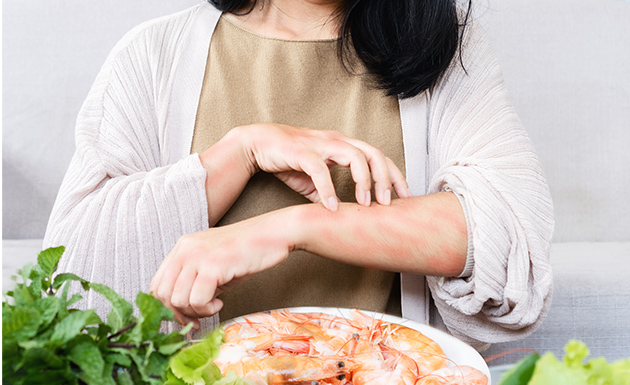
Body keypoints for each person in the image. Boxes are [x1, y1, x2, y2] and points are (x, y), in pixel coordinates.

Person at [44, 0, 554, 351]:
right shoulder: (154, 53)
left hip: (384, 370)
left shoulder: (444, 56)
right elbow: (70, 277)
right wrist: (238, 152)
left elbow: (507, 241)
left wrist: (294, 228)